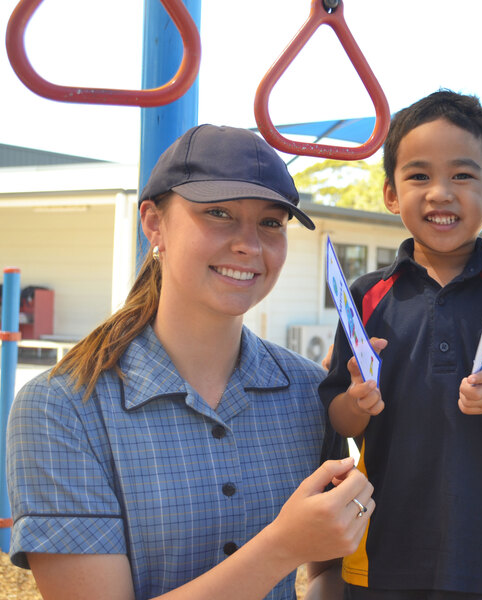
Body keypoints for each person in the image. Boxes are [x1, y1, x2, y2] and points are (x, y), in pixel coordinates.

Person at [6, 124, 374, 600]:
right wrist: (281, 548)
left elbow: (330, 567)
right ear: (153, 224)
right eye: (218, 213)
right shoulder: (62, 407)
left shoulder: (309, 391)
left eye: (271, 223)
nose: (250, 245)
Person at [318, 90, 482, 599]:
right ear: (390, 193)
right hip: (380, 548)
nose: (440, 193)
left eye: (463, 175)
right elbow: (338, 416)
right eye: (419, 175)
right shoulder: (366, 296)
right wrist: (357, 401)